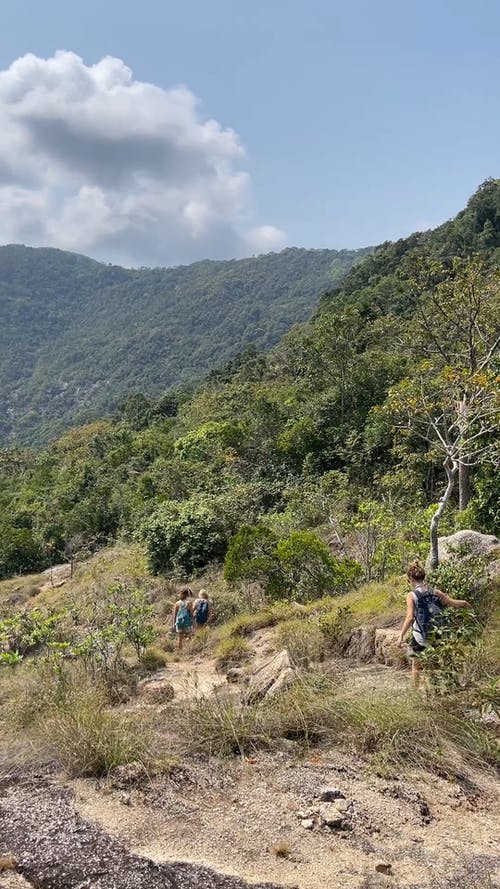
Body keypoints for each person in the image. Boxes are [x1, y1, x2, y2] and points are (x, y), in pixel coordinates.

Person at [397, 560, 470, 688]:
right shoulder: (435, 592)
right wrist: (464, 604)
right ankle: (448, 687)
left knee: (416, 666)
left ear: (410, 579)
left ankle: (415, 692)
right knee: (442, 663)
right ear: (423, 577)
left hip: (420, 636)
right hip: (437, 634)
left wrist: (401, 636)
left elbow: (409, 618)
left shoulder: (411, 595)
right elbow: (452, 602)